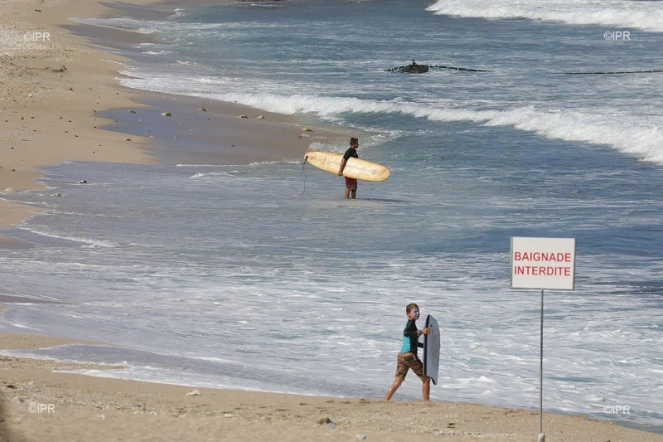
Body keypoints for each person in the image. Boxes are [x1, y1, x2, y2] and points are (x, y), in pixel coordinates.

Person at [384, 303, 431, 401]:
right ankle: (426, 402)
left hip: (401, 356)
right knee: (426, 379)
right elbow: (407, 332)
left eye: (418, 311)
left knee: (397, 382)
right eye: (415, 312)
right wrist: (422, 331)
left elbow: (413, 342)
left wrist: (425, 346)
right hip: (410, 356)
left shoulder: (411, 325)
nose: (417, 313)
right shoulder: (411, 324)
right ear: (408, 314)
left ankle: (385, 400)